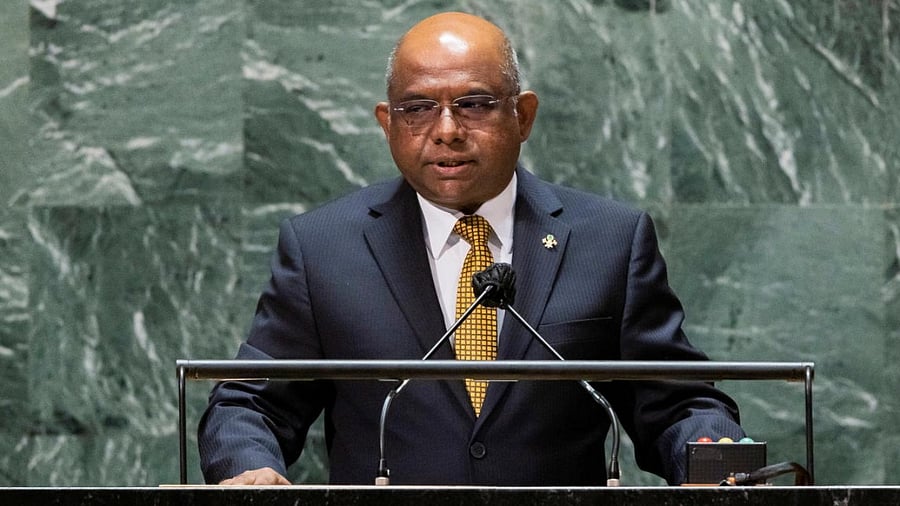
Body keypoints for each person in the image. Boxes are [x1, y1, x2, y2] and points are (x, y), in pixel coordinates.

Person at [198, 11, 744, 486]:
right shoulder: (324, 247)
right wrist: (249, 468)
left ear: (523, 115)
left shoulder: (609, 240)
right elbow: (251, 403)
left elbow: (677, 402)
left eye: (474, 104)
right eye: (417, 109)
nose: (447, 130)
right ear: (387, 123)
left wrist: (713, 453)